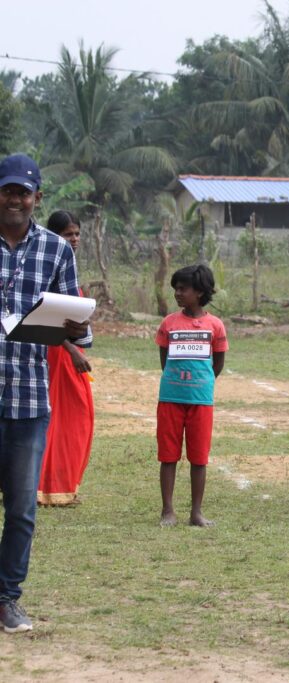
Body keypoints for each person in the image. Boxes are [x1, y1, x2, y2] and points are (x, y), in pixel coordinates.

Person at [0, 153, 90, 634]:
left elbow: (78, 326)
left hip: (29, 399)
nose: (15, 199)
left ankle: (7, 598)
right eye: (7, 190)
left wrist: (76, 329)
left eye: (23, 192)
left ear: (37, 197)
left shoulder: (58, 251)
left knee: (21, 509)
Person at [156, 264, 228, 528]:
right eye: (175, 288)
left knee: (199, 458)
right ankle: (168, 511)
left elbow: (217, 363)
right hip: (170, 399)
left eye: (182, 289)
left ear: (199, 292)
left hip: (201, 401)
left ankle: (196, 513)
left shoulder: (215, 326)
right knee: (168, 456)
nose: (177, 293)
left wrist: (201, 383)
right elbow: (164, 360)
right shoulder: (168, 323)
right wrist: (178, 383)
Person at [37, 210, 94, 506]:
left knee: (75, 417)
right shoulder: (46, 266)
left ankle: (60, 484)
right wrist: (72, 351)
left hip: (70, 350)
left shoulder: (68, 266)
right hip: (56, 352)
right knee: (61, 418)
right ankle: (47, 487)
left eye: (77, 233)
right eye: (68, 234)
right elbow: (44, 317)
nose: (74, 239)